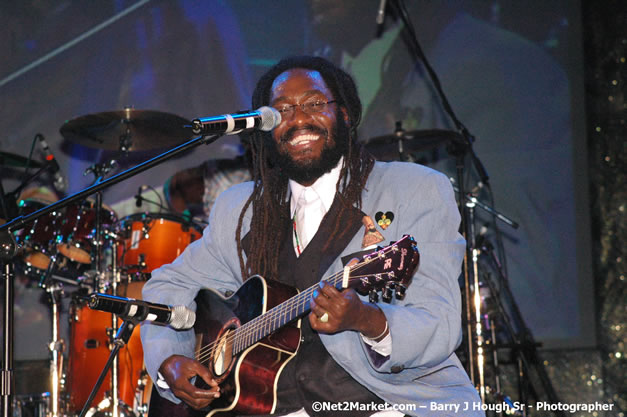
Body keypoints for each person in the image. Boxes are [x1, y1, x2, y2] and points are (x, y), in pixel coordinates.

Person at [141, 56, 483, 417]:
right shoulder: (241, 208)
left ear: (346, 115)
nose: (299, 119)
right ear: (264, 128)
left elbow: (439, 323)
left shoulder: (414, 188)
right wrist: (170, 360)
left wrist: (368, 320)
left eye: (315, 104)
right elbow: (169, 285)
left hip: (387, 404)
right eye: (282, 110)